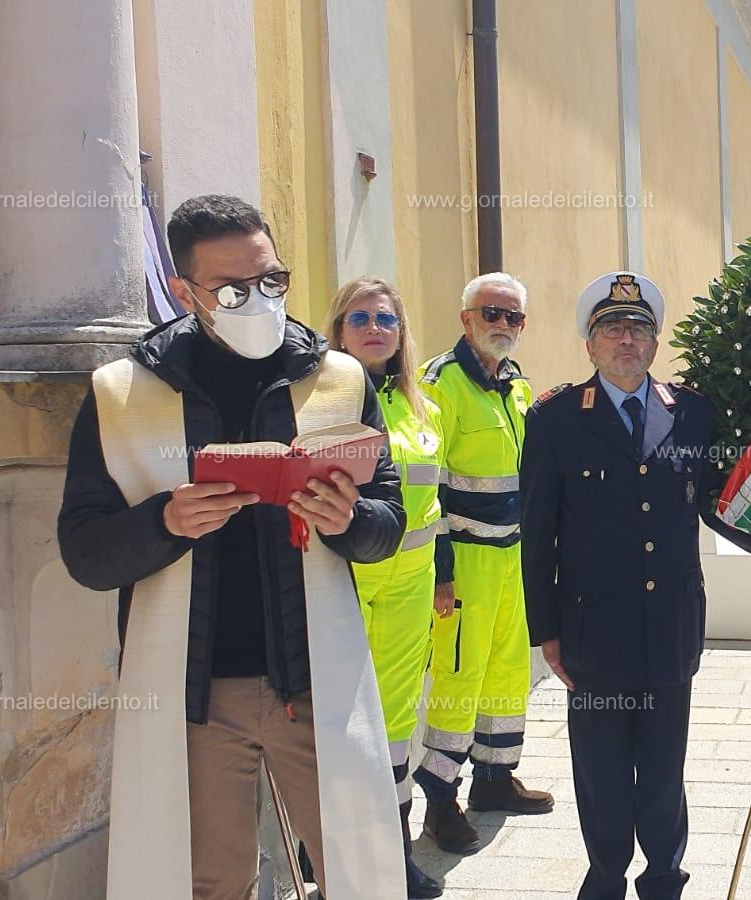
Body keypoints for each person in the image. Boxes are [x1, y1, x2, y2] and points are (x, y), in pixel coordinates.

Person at [58, 194, 407, 898]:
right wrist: (166, 522)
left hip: (317, 683)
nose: (260, 300)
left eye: (273, 279)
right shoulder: (122, 393)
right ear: (185, 291)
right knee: (213, 882)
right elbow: (84, 552)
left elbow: (387, 524)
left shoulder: (337, 379)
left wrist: (348, 518)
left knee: (361, 869)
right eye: (234, 289)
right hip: (195, 699)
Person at [520, 271, 751, 900]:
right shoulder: (557, 418)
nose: (626, 339)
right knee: (601, 768)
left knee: (665, 766)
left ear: (654, 342)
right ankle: (606, 873)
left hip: (671, 622)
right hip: (594, 629)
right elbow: (536, 535)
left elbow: (726, 502)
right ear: (589, 345)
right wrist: (547, 631)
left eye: (639, 329)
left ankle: (666, 876)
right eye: (612, 328)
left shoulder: (692, 412)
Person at [415, 272, 554, 857]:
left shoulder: (517, 387)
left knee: (505, 674)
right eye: (491, 313)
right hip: (465, 562)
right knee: (456, 679)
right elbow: (429, 484)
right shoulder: (440, 384)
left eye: (513, 317)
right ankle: (440, 801)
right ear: (466, 318)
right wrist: (442, 570)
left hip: (514, 559)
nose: (503, 325)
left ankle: (494, 781)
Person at [323, 277, 446, 898]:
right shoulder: (318, 400)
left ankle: (393, 856)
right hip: (342, 582)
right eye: (360, 318)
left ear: (402, 334)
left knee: (397, 723)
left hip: (410, 589)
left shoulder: (426, 407)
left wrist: (442, 578)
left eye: (387, 319)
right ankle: (331, 862)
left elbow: (436, 507)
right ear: (338, 329)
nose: (375, 328)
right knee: (339, 721)